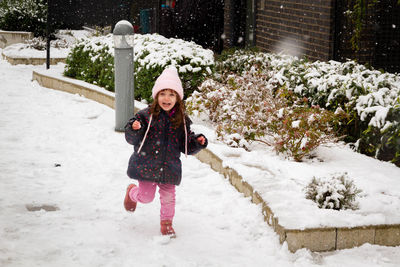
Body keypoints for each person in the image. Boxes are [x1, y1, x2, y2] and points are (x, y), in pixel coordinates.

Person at [123, 66, 208, 237]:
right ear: (156, 96)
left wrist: (197, 142)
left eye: (171, 94)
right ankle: (132, 192)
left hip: (169, 166)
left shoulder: (181, 120)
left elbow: (186, 144)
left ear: (178, 98)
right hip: (147, 165)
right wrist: (134, 129)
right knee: (146, 198)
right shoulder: (145, 116)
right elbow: (131, 139)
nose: (167, 98)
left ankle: (166, 223)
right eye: (163, 94)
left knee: (169, 197)